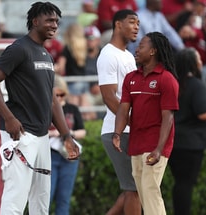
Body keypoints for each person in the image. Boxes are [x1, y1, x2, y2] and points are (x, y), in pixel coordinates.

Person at [0, 2, 80, 214]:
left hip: (42, 136)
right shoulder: (19, 49)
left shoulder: (46, 54)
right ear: (35, 22)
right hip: (20, 134)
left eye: (56, 21)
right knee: (16, 197)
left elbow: (52, 99)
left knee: (41, 201)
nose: (55, 25)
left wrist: (66, 135)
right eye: (50, 20)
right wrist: (8, 117)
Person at [113, 31, 179, 215]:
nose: (136, 49)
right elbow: (123, 109)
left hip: (155, 145)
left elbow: (168, 117)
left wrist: (159, 149)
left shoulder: (167, 79)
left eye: (141, 46)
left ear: (153, 51)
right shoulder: (131, 78)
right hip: (136, 143)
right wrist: (117, 133)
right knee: (144, 193)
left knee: (150, 190)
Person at [96, 9, 141, 215]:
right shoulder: (108, 54)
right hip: (119, 130)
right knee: (133, 189)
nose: (136, 27)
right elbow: (109, 97)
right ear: (117, 24)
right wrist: (134, 123)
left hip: (128, 128)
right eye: (132, 22)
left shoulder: (128, 56)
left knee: (133, 189)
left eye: (138, 23)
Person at [168, 48, 206, 215]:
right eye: (198, 59)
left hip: (172, 141)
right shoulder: (196, 85)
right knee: (186, 184)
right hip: (191, 144)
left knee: (180, 183)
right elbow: (202, 114)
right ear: (193, 63)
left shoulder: (173, 85)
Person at [49, 74, 86, 215]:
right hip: (51, 153)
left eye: (61, 94)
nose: (58, 98)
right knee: (47, 196)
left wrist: (68, 133)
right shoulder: (47, 109)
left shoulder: (72, 109)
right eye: (55, 95)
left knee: (64, 199)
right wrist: (52, 134)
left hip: (69, 155)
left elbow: (82, 131)